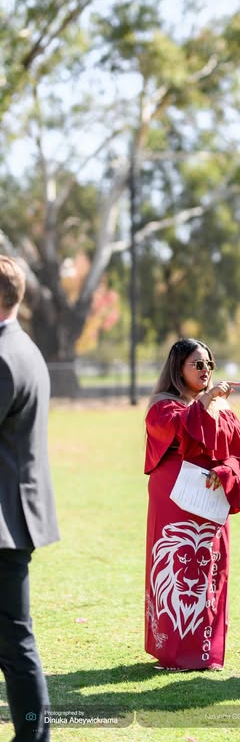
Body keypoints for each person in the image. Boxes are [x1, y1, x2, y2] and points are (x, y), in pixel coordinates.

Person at [144, 338, 240, 671]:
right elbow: (181, 430)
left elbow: (239, 456)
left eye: (209, 364)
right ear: (179, 368)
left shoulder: (222, 408)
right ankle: (173, 653)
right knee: (175, 566)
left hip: (211, 499)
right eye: (198, 364)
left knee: (210, 568)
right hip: (174, 499)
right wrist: (206, 399)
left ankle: (206, 653)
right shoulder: (163, 405)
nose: (206, 371)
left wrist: (225, 470)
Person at [0, 255, 59, 741]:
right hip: (14, 516)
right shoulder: (24, 346)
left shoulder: (3, 355)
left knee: (14, 643)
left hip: (3, 523)